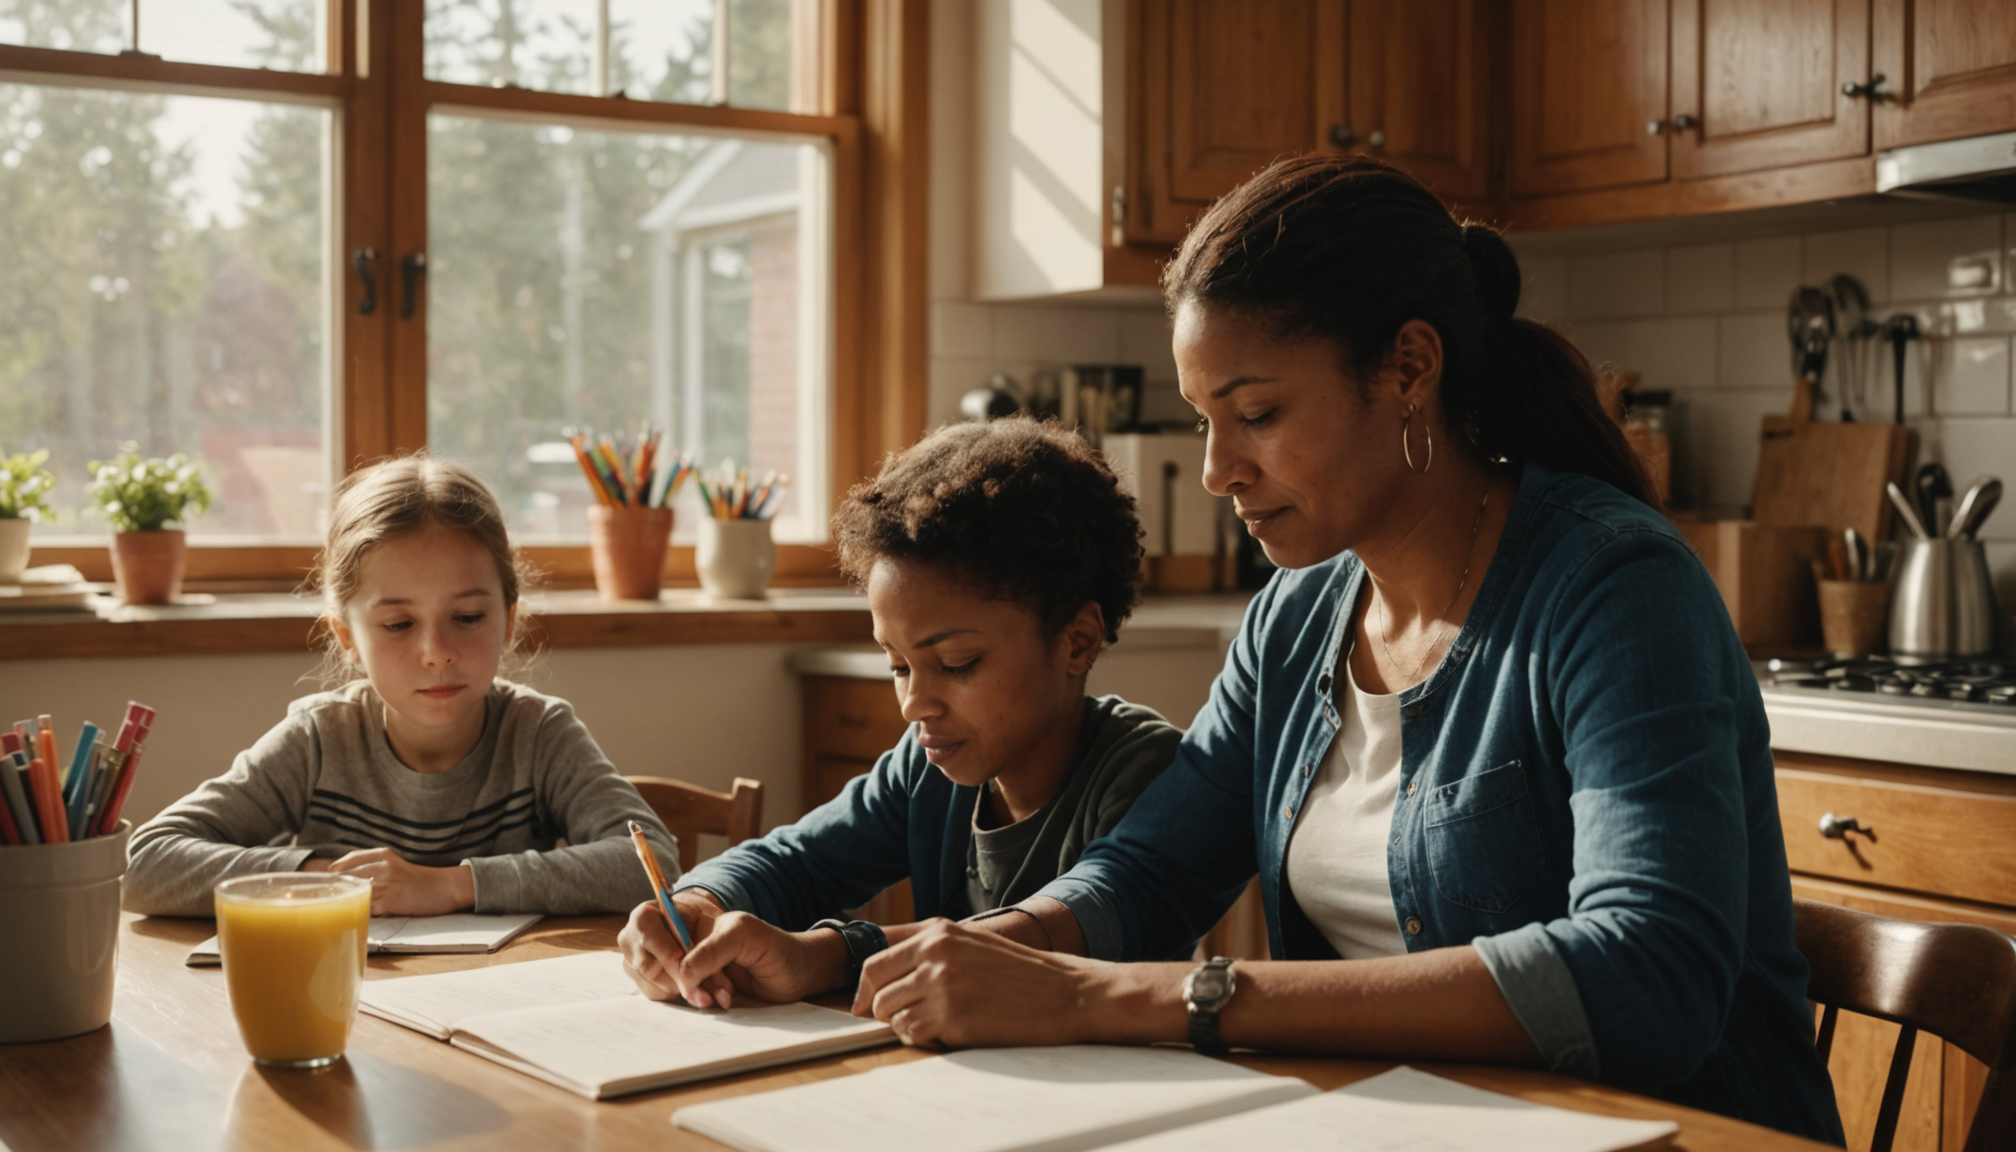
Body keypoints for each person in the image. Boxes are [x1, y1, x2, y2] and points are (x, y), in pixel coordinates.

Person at [835, 155, 1845, 1144]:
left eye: (1258, 415)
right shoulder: (1297, 616)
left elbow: (1650, 973)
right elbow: (1149, 874)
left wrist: (1144, 997)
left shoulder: (1617, 589)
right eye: (1205, 422)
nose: (1217, 471)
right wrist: (883, 958)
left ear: (1409, 369)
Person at [618, 417, 1181, 1009]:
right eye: (899, 666)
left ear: (1077, 642)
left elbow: (1076, 928)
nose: (915, 704)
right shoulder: (926, 769)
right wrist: (699, 903)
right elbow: (793, 861)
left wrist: (829, 953)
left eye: (958, 663)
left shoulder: (1145, 773)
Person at [125, 456, 677, 918]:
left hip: (498, 1012)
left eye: (467, 617)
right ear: (347, 637)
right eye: (397, 625)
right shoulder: (319, 738)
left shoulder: (538, 733)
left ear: (509, 620)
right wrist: (327, 881)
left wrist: (450, 885)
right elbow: (144, 864)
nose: (436, 652)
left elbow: (652, 861)